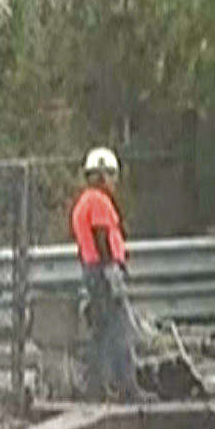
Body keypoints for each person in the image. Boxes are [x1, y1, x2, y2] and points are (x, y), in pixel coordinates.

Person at [70, 145, 143, 403]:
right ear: (101, 176)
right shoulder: (99, 202)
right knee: (121, 329)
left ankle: (96, 388)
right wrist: (113, 270)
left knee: (100, 333)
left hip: (92, 271)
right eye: (111, 175)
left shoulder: (82, 203)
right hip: (104, 272)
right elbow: (102, 237)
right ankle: (128, 388)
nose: (114, 181)